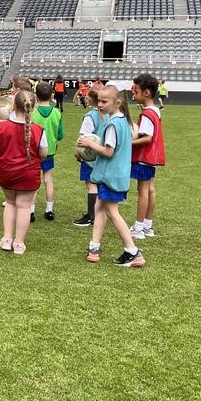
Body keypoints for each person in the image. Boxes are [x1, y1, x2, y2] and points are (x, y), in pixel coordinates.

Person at [76, 86, 145, 267]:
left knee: (112, 213)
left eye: (104, 101)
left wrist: (89, 143)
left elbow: (108, 151)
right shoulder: (121, 121)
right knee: (99, 207)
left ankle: (133, 251)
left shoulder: (113, 124)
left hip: (111, 177)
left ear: (118, 103)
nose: (99, 105)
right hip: (114, 175)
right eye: (98, 100)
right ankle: (94, 247)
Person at [0, 90, 47, 255]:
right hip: (29, 174)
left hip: (8, 172)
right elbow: (43, 153)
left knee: (10, 203)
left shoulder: (2, 127)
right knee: (24, 207)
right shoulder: (39, 130)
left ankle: (7, 238)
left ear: (14, 105)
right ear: (33, 107)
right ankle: (19, 243)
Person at [129, 73, 165, 240]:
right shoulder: (155, 111)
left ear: (147, 93)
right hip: (152, 158)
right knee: (150, 190)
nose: (133, 94)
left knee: (143, 191)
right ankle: (147, 226)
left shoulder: (147, 114)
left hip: (144, 157)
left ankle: (138, 228)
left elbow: (147, 138)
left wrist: (127, 143)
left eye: (136, 91)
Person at [32, 80, 64, 222]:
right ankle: (49, 210)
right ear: (52, 95)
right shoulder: (57, 112)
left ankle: (31, 210)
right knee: (48, 179)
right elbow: (60, 135)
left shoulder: (32, 112)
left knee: (34, 180)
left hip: (34, 152)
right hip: (49, 151)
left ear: (36, 95)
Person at [72, 87, 104, 227]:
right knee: (101, 184)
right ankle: (101, 213)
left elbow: (83, 138)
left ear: (90, 98)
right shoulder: (110, 114)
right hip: (104, 154)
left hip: (91, 157)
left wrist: (77, 152)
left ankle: (92, 216)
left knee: (91, 185)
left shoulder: (90, 116)